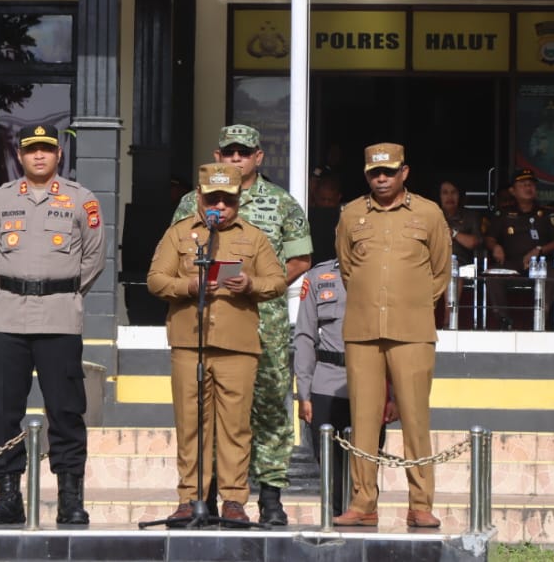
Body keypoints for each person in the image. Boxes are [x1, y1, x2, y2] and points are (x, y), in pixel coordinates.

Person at [170, 124, 313, 525]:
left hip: (264, 321)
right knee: (209, 410)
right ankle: (208, 495)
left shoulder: (281, 202)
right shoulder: (192, 202)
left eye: (244, 152)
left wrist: (261, 285)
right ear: (217, 156)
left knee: (268, 407)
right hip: (209, 323)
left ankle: (270, 495)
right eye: (229, 152)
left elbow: (301, 259)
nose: (236, 158)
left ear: (258, 157)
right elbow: (174, 253)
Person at [0, 123, 105, 527]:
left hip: (59, 317)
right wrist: (17, 287)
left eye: (46, 149)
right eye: (31, 150)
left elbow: (93, 258)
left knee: (66, 411)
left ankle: (70, 499)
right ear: (20, 155)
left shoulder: (81, 200)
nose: (39, 156)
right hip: (9, 317)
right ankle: (8, 497)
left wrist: (60, 291)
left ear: (58, 154)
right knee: (2, 409)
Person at [148, 163, 288, 526]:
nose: (221, 207)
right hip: (189, 345)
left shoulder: (254, 237)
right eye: (213, 200)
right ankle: (189, 498)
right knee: (190, 424)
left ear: (238, 200)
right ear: (199, 196)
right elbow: (156, 279)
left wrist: (251, 284)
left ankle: (234, 500)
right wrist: (189, 286)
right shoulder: (180, 234)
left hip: (238, 347)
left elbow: (277, 280)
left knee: (235, 428)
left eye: (228, 200)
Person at [332, 143, 450, 529]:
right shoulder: (351, 213)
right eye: (374, 173)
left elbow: (440, 271)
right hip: (363, 330)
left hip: (412, 330)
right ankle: (363, 502)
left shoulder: (428, 213)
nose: (381, 179)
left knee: (415, 419)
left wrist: (413, 303)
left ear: (404, 172)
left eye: (389, 172)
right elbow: (348, 269)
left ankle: (421, 503)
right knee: (364, 421)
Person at [293, 258, 392, 516]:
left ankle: (364, 518)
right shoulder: (319, 276)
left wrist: (393, 395)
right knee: (330, 470)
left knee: (366, 468)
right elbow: (304, 335)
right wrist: (304, 391)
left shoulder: (386, 272)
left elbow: (395, 340)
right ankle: (334, 520)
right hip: (327, 381)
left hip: (372, 382)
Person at [481, 167, 554, 330]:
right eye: (523, 184)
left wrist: (538, 250)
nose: (528, 187)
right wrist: (495, 246)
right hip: (511, 263)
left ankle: (540, 320)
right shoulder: (503, 214)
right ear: (513, 191)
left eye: (531, 184)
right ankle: (504, 321)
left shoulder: (547, 214)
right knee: (492, 275)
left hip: (538, 264)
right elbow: (489, 238)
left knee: (551, 274)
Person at [438, 180, 482, 269]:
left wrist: (453, 233)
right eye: (445, 193)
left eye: (453, 192)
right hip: (435, 266)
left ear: (460, 195)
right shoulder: (431, 216)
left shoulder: (471, 216)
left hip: (462, 267)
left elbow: (474, 242)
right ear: (439, 196)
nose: (449, 197)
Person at [308, 170, 343, 265]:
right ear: (316, 196)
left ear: (338, 198)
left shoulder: (344, 217)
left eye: (330, 200)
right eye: (322, 199)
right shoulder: (308, 215)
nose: (326, 203)